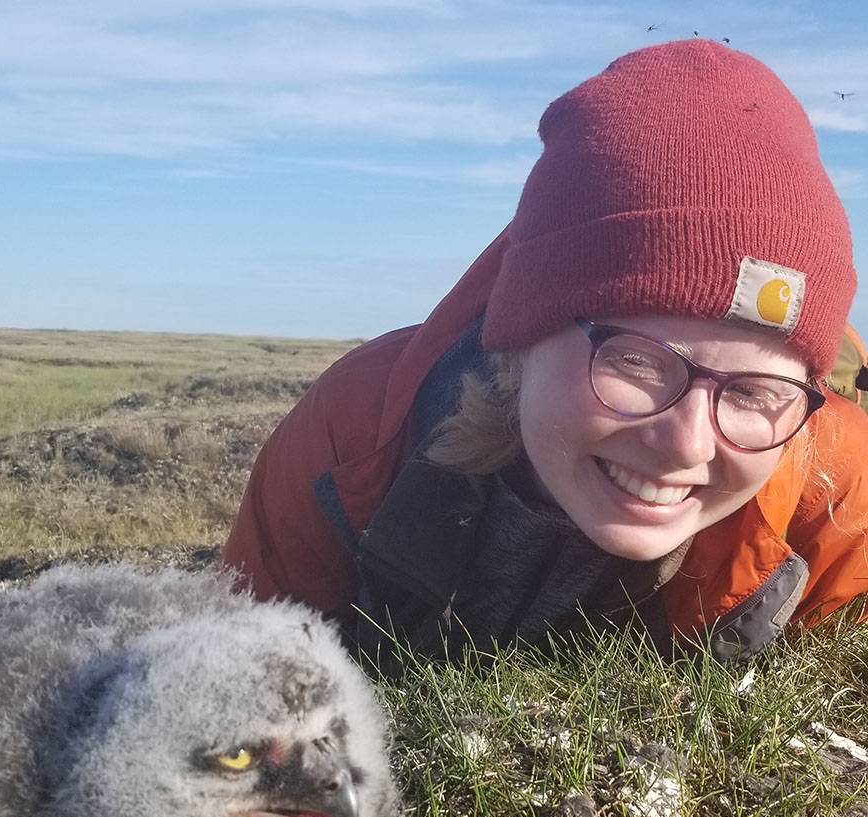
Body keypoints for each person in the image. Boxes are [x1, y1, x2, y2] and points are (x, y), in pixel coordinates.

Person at [223, 39, 868, 676]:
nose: (686, 445)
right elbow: (232, 678)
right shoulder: (358, 429)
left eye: (754, 393)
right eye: (637, 361)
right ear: (520, 339)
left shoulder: (841, 483)